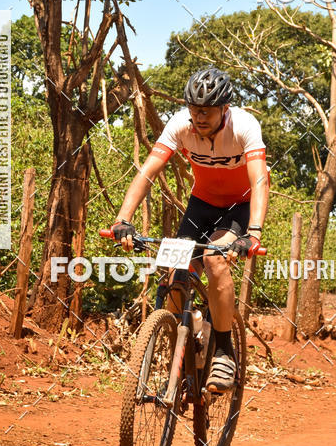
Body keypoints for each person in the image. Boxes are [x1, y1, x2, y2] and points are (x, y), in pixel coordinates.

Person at [111, 66, 269, 392]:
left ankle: (224, 350)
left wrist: (253, 233)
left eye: (207, 111)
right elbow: (148, 172)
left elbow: (259, 179)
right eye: (194, 109)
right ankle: (185, 336)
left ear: (224, 108)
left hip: (238, 208)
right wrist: (122, 220)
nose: (198, 117)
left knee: (214, 259)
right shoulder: (179, 125)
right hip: (200, 205)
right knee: (172, 270)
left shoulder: (244, 126)